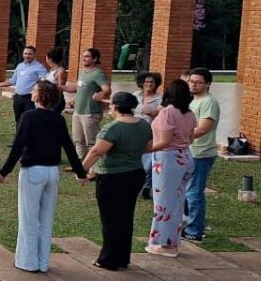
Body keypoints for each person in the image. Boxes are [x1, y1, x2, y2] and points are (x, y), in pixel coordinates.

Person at [0, 81, 88, 273]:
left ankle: (27, 262)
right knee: (46, 219)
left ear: (40, 96)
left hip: (33, 171)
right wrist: (81, 173)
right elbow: (69, 147)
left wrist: (4, 171)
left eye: (35, 90)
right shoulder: (58, 119)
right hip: (51, 172)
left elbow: (18, 145)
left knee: (29, 218)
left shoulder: (29, 116)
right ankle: (42, 261)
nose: (32, 92)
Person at [80, 92, 153, 271]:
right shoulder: (143, 124)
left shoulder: (113, 128)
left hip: (113, 177)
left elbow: (97, 151)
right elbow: (148, 147)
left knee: (110, 219)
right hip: (135, 174)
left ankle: (108, 259)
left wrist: (82, 169)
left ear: (116, 106)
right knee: (125, 217)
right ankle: (122, 257)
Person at [145, 79, 196, 257]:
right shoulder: (189, 113)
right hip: (185, 156)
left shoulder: (167, 113)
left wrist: (145, 149)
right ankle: (172, 241)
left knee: (163, 203)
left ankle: (162, 243)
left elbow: (164, 141)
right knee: (177, 202)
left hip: (168, 159)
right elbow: (190, 139)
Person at [184, 67, 220, 242]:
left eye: (198, 82)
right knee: (186, 190)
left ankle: (195, 231)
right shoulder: (194, 101)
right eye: (191, 81)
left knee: (194, 192)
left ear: (207, 84)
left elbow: (204, 128)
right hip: (190, 150)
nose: (194, 85)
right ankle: (186, 223)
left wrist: (181, 136)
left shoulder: (208, 102)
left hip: (201, 152)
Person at [64, 47, 110, 161]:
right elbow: (78, 88)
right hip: (78, 112)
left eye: (87, 56)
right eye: (83, 56)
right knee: (78, 140)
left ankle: (94, 169)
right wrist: (60, 88)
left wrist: (101, 94)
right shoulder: (83, 72)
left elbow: (107, 89)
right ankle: (81, 166)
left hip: (90, 113)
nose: (84, 59)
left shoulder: (98, 73)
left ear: (95, 59)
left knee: (91, 142)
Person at [133, 72, 163, 200]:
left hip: (150, 134)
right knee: (135, 161)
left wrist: (152, 112)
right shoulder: (135, 96)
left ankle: (147, 186)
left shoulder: (160, 99)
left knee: (148, 163)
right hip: (133, 132)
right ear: (141, 83)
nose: (149, 84)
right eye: (146, 82)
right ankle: (136, 185)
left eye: (152, 82)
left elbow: (160, 114)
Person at [0, 46, 47, 124]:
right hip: (18, 97)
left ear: (34, 55)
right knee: (18, 120)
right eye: (25, 54)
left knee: (29, 120)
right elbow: (12, 81)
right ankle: (19, 135)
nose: (27, 56)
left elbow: (45, 83)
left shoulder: (39, 67)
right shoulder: (20, 66)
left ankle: (29, 136)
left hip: (30, 99)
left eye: (30, 54)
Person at [43, 48, 69, 113]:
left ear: (50, 59)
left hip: (54, 100)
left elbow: (61, 87)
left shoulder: (60, 71)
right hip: (47, 99)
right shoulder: (50, 70)